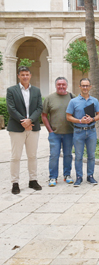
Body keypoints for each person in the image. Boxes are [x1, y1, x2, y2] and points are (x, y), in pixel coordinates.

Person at [6, 66, 43, 195]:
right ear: (18, 76)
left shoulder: (36, 91)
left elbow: (39, 108)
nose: (25, 77)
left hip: (33, 128)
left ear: (30, 75)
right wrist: (24, 121)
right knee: (15, 156)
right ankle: (14, 182)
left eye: (27, 74)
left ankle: (33, 180)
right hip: (17, 128)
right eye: (22, 75)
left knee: (32, 155)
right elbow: (11, 109)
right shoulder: (11, 90)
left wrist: (30, 120)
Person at [66, 78, 99, 187]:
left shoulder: (94, 101)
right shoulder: (73, 101)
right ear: (80, 87)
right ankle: (79, 177)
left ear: (90, 87)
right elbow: (68, 117)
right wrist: (80, 120)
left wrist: (92, 119)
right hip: (78, 131)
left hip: (91, 131)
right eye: (83, 85)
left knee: (91, 155)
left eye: (87, 85)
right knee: (78, 156)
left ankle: (90, 176)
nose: (85, 88)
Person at [42, 77, 75, 187]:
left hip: (69, 133)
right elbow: (44, 116)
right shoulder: (49, 99)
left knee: (68, 155)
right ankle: (53, 177)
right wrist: (50, 130)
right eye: (59, 84)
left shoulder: (72, 97)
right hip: (54, 133)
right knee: (54, 155)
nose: (61, 86)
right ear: (55, 85)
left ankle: (67, 175)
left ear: (67, 85)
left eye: (63, 84)